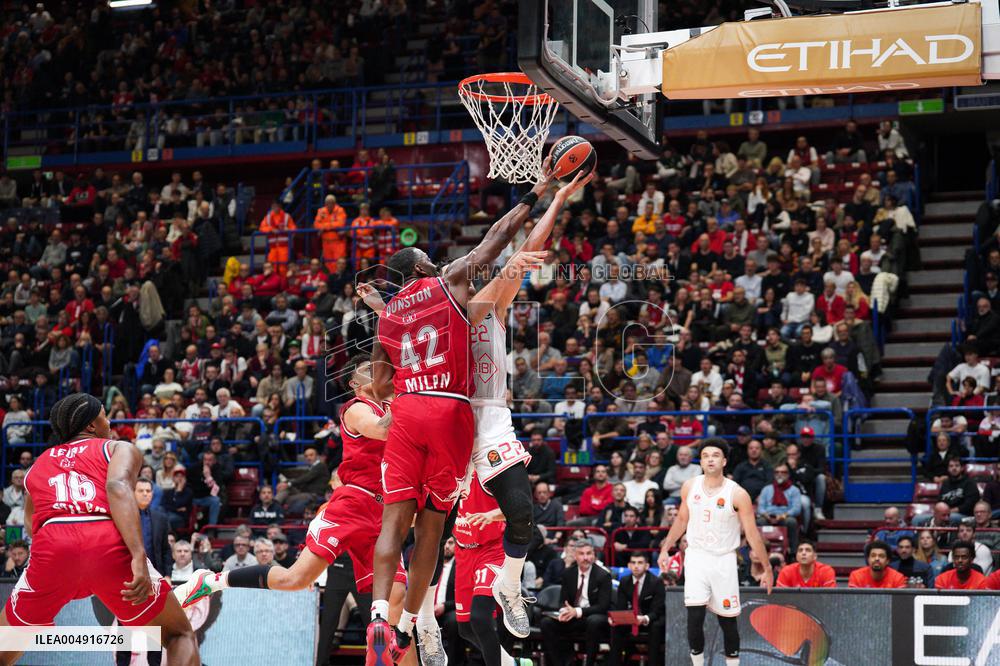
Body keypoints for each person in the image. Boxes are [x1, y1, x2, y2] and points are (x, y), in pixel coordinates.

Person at [360, 170, 591, 647]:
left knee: (520, 511)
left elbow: (519, 250)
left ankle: (504, 587)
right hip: (448, 417)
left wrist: (559, 198)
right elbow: (412, 323)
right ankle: (418, 626)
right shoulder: (439, 305)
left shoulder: (480, 303)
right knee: (431, 527)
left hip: (481, 420)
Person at [178, 359, 415, 664]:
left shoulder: (391, 405)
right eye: (369, 369)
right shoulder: (356, 409)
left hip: (383, 513)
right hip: (352, 505)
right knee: (296, 580)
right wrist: (411, 399)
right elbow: (382, 430)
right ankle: (211, 581)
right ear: (355, 383)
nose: (380, 371)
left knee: (395, 598)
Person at [0, 394, 199, 665]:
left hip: (52, 547)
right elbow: (117, 487)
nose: (110, 420)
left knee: (4, 647)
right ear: (92, 425)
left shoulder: (38, 465)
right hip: (106, 543)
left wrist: (63, 565)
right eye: (105, 414)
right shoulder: (118, 448)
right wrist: (138, 556)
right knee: (179, 635)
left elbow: (31, 524)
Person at [658, 439, 774, 666]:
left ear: (724, 461)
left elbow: (752, 534)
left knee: (727, 621)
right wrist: (665, 548)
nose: (710, 459)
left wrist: (767, 568)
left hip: (724, 560)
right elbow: (682, 519)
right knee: (695, 617)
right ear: (700, 461)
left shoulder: (738, 494)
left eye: (715, 455)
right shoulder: (689, 486)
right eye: (706, 455)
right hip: (697, 557)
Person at [451, 472, 517, 666]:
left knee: (480, 618)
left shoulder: (486, 473)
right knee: (464, 628)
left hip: (491, 549)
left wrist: (491, 515)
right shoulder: (446, 471)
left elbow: (519, 508)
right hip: (463, 552)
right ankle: (511, 664)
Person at [539, 538, 612, 666]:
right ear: (575, 556)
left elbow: (603, 606)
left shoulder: (603, 576)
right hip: (573, 617)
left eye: (589, 553)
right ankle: (561, 662)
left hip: (592, 616)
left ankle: (589, 663)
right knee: (546, 623)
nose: (586, 557)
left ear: (594, 555)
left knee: (593, 621)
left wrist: (576, 612)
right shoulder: (568, 574)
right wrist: (564, 611)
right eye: (582, 554)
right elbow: (563, 601)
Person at [608, 552, 665, 666]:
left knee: (656, 626)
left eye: (640, 563)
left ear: (647, 566)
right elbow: (621, 607)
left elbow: (658, 610)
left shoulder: (656, 582)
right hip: (632, 617)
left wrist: (644, 618)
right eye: (633, 563)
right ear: (629, 565)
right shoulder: (624, 581)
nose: (636, 566)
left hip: (651, 618)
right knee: (616, 628)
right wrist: (616, 618)